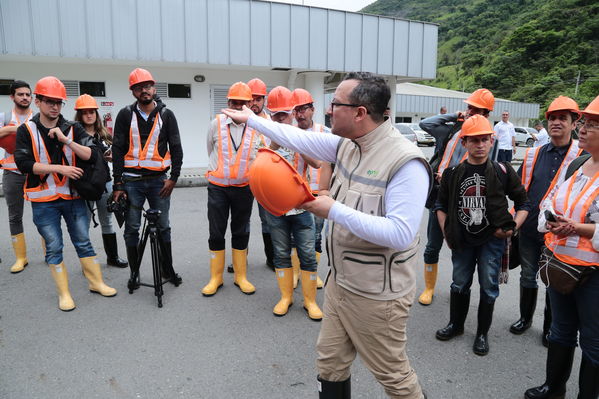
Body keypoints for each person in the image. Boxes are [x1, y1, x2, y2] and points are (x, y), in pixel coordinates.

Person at [224, 72, 430, 398]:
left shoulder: (405, 162)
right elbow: (296, 138)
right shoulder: (348, 145)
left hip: (377, 297)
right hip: (340, 285)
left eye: (335, 104)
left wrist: (331, 209)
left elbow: (401, 233)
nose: (329, 110)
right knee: (330, 363)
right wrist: (251, 119)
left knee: (395, 377)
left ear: (360, 112)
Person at [14, 76, 116, 311]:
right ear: (38, 101)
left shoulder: (72, 127)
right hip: (43, 201)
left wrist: (65, 141)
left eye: (58, 102)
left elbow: (92, 155)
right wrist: (59, 168)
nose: (55, 107)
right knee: (54, 246)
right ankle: (64, 293)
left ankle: (96, 283)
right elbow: (23, 163)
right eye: (49, 101)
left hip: (73, 198)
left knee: (83, 240)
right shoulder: (25, 130)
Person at [434, 114, 529, 356]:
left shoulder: (503, 171)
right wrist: (447, 232)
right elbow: (440, 206)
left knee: (488, 288)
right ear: (464, 142)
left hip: (492, 242)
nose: (479, 145)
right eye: (474, 140)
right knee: (459, 283)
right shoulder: (453, 173)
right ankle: (456, 325)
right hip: (462, 241)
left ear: (491, 141)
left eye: (484, 139)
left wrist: (512, 228)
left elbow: (524, 203)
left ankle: (482, 334)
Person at [524, 95, 599, 399]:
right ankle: (553, 389)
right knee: (560, 331)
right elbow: (548, 202)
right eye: (584, 122)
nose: (583, 128)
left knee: (593, 341)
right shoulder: (579, 165)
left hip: (593, 275)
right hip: (561, 267)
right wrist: (552, 221)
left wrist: (576, 228)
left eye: (592, 124)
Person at [510, 96, 583, 345]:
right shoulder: (533, 155)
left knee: (555, 281)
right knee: (528, 275)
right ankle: (525, 319)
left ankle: (550, 328)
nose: (556, 122)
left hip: (562, 234)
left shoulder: (583, 159)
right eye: (552, 117)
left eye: (563, 118)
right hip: (531, 229)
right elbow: (519, 192)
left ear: (575, 123)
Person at [417, 88, 496, 305]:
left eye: (475, 108)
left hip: (466, 199)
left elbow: (490, 170)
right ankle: (429, 288)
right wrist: (454, 116)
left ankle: (459, 288)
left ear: (486, 113)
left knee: (460, 245)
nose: (470, 111)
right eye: (469, 107)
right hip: (439, 195)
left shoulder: (487, 138)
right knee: (433, 244)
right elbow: (426, 124)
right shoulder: (453, 130)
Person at [112, 68, 183, 291]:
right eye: (139, 87)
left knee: (163, 226)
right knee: (131, 228)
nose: (144, 90)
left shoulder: (167, 115)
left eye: (148, 86)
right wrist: (118, 184)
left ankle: (167, 269)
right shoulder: (125, 115)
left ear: (154, 88)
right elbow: (117, 150)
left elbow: (176, 148)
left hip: (159, 182)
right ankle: (134, 273)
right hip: (131, 182)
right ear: (133, 91)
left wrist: (174, 178)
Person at [259, 86, 323, 320]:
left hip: (302, 205)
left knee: (307, 253)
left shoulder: (302, 135)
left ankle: (310, 301)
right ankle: (286, 297)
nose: (279, 119)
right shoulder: (266, 135)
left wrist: (297, 143)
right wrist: (276, 141)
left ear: (292, 113)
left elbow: (317, 164)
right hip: (275, 208)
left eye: (283, 114)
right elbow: (259, 164)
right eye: (275, 115)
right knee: (281, 253)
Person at [201, 81, 261, 297]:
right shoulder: (215, 123)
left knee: (241, 230)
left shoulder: (256, 126)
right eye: (234, 102)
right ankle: (215, 278)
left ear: (249, 105)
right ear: (228, 102)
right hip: (218, 188)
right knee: (216, 232)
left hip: (244, 188)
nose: (237, 107)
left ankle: (240, 276)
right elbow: (210, 149)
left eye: (242, 103)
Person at [74, 94, 128, 268]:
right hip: (86, 184)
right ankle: (88, 264)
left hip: (105, 182)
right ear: (79, 115)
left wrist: (112, 158)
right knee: (85, 222)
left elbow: (115, 155)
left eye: (92, 112)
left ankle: (112, 258)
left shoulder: (103, 133)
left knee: (108, 220)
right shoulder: (75, 134)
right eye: (85, 112)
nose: (89, 115)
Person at [291, 88, 330, 290]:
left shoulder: (324, 133)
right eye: (296, 110)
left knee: (315, 236)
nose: (300, 114)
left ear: (312, 109)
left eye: (303, 109)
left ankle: (312, 272)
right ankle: (297, 272)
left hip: (318, 193)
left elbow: (333, 163)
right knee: (295, 236)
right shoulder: (289, 132)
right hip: (295, 193)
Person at [0, 80, 33, 273]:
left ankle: (49, 252)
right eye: (20, 94)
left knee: (44, 212)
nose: (25, 97)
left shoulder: (37, 116)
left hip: (35, 172)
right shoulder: (4, 117)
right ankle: (21, 258)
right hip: (12, 173)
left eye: (28, 94)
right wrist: (16, 129)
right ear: (12, 97)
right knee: (14, 216)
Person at [247, 78, 275, 272]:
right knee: (241, 221)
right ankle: (241, 259)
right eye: (251, 99)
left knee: (268, 220)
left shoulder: (272, 123)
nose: (254, 103)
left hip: (264, 179)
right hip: (242, 178)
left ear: (264, 100)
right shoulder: (239, 120)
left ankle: (271, 258)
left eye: (258, 99)